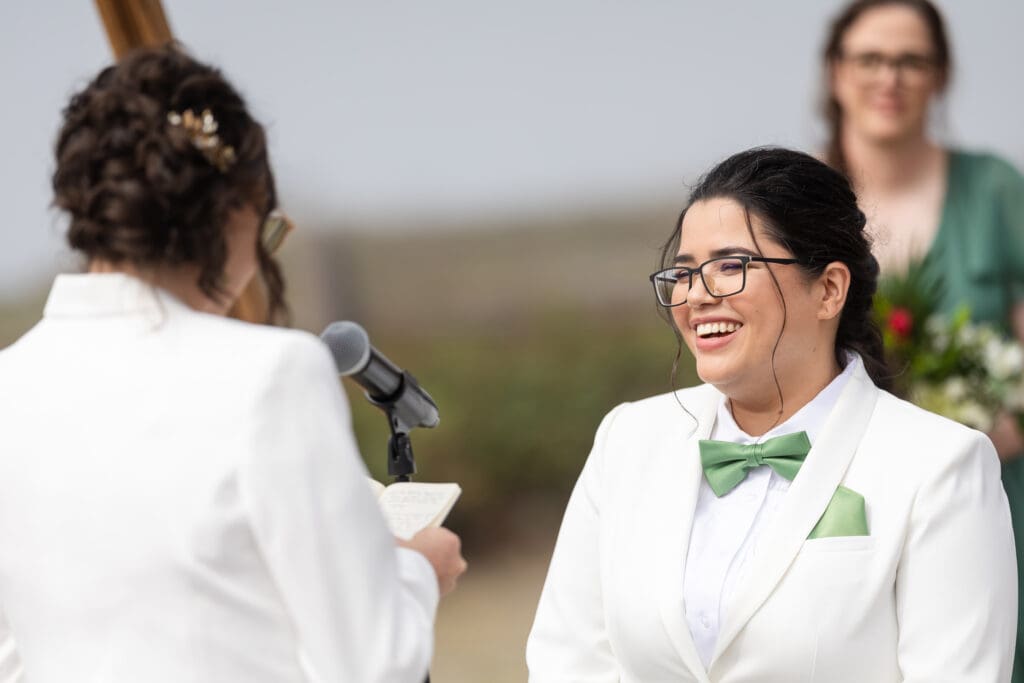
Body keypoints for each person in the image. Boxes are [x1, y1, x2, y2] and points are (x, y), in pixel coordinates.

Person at [0, 44, 465, 682]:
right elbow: (370, 663)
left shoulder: (10, 386)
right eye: (269, 228)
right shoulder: (273, 375)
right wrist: (417, 569)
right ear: (234, 213)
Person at [526, 147, 1017, 681]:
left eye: (731, 266)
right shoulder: (627, 439)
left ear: (829, 289)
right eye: (685, 273)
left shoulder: (940, 466)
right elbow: (568, 660)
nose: (698, 296)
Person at [822, 1, 1024, 675]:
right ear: (836, 72)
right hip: (844, 505)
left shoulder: (996, 189)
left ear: (940, 76)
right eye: (871, 58)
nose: (891, 77)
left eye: (912, 60)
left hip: (997, 487)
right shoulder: (795, 200)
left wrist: (1008, 424)